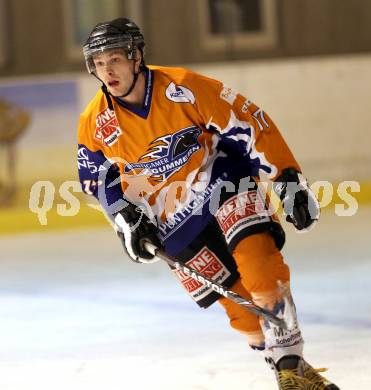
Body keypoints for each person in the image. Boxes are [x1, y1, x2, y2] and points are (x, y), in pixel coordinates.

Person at [77, 17, 339, 390]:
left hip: (222, 183)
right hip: (171, 217)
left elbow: (250, 123)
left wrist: (286, 177)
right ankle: (290, 367)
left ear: (137, 57)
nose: (108, 70)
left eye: (115, 59)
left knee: (259, 263)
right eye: (99, 63)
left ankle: (291, 370)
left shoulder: (183, 87)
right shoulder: (94, 122)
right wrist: (126, 220)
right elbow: (97, 180)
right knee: (244, 316)